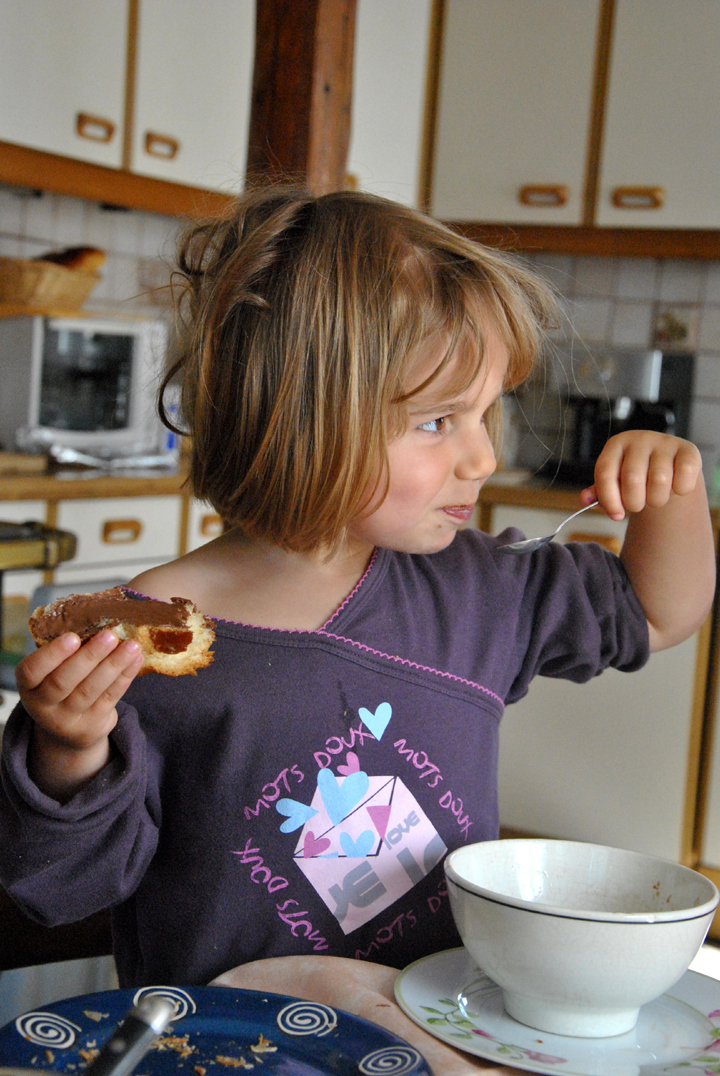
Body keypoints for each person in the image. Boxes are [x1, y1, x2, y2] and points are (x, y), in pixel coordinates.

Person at [0, 189, 714, 995]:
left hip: (435, 1023)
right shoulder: (145, 641)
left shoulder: (480, 587)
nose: (482, 458)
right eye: (438, 422)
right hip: (227, 1036)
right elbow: (64, 888)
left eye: (486, 413)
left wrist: (675, 492)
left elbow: (657, 612)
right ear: (304, 418)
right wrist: (69, 749)